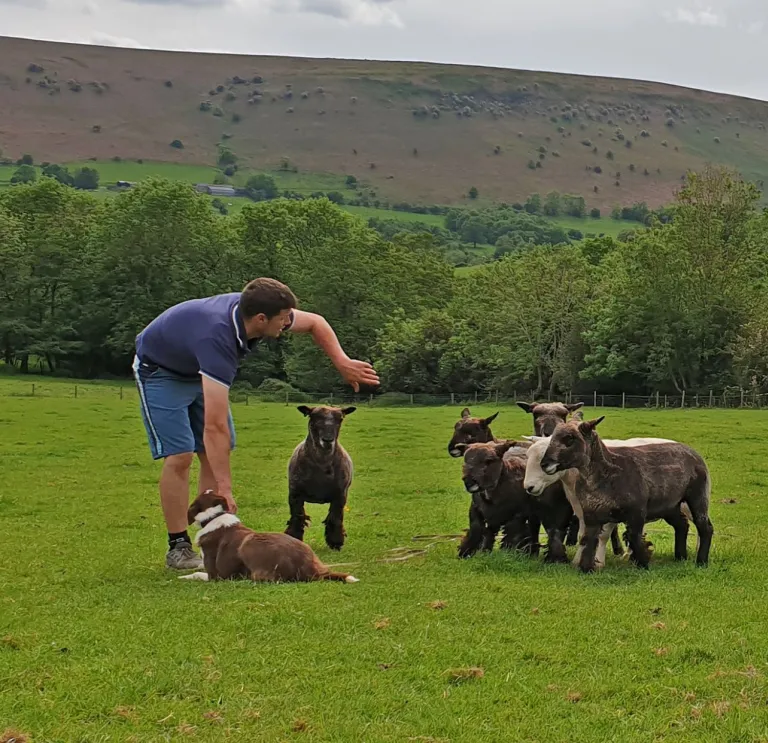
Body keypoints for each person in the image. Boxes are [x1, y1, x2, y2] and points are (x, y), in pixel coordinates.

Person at [132, 277, 380, 570]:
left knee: (210, 454)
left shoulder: (263, 309)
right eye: (283, 319)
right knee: (181, 455)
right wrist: (225, 487)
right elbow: (215, 426)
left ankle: (214, 539)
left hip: (196, 366)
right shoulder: (218, 338)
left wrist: (342, 361)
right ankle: (179, 546)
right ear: (261, 319)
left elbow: (316, 323)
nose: (287, 325)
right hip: (162, 371)